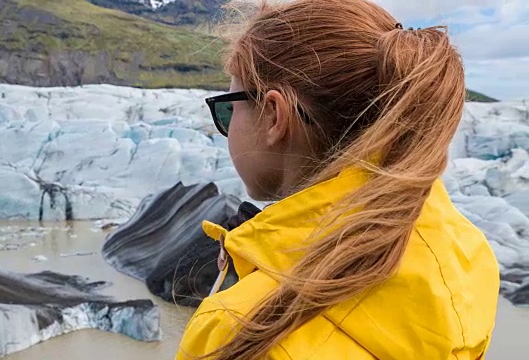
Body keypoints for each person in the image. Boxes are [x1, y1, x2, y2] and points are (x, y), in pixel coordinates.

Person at [175, 0, 501, 359]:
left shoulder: (243, 329)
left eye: (229, 108)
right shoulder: (466, 255)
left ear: (273, 116)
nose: (226, 127)